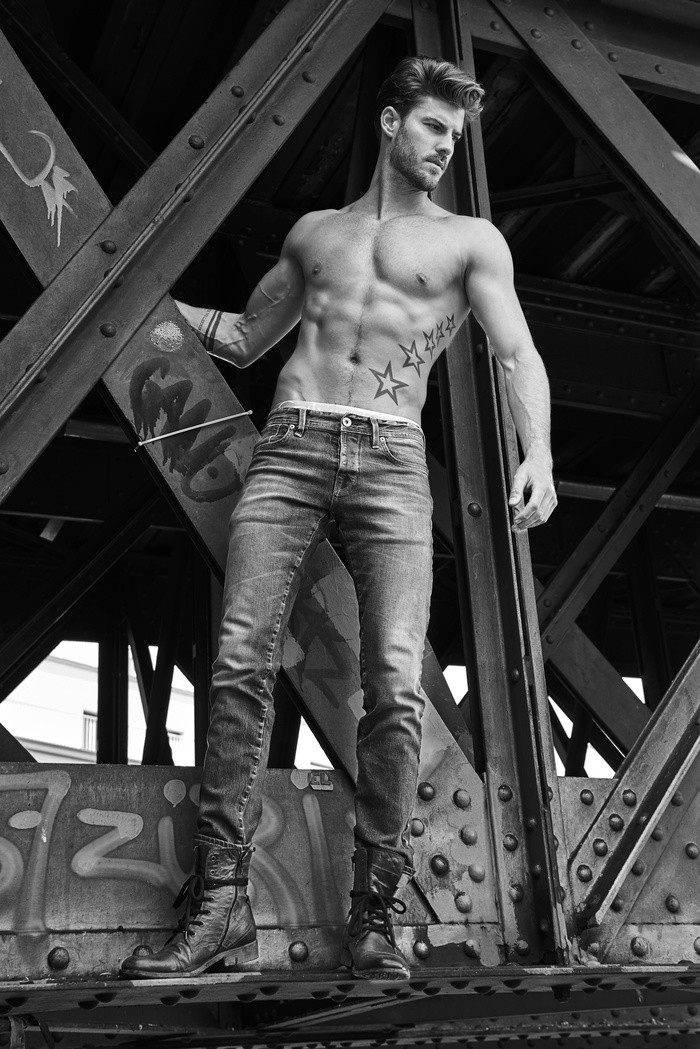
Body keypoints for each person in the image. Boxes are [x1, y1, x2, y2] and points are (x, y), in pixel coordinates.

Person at [120, 55, 556, 983]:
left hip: (393, 460)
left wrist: (541, 454)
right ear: (392, 122)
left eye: (456, 135)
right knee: (240, 659)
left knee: (395, 684)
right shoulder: (315, 233)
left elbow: (517, 352)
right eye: (434, 126)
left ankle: (374, 917)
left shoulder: (472, 241)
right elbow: (247, 338)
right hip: (290, 444)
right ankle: (221, 904)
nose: (446, 147)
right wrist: (143, 302)